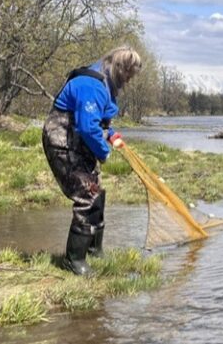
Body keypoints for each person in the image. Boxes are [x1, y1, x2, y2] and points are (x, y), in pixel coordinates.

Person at [42, 46, 142, 275]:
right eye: (128, 75)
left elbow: (99, 120)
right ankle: (74, 260)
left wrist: (111, 133)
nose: (128, 80)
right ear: (120, 68)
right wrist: (103, 152)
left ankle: (94, 250)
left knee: (97, 191)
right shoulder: (92, 85)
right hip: (62, 140)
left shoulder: (104, 81)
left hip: (78, 140)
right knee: (86, 194)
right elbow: (88, 127)